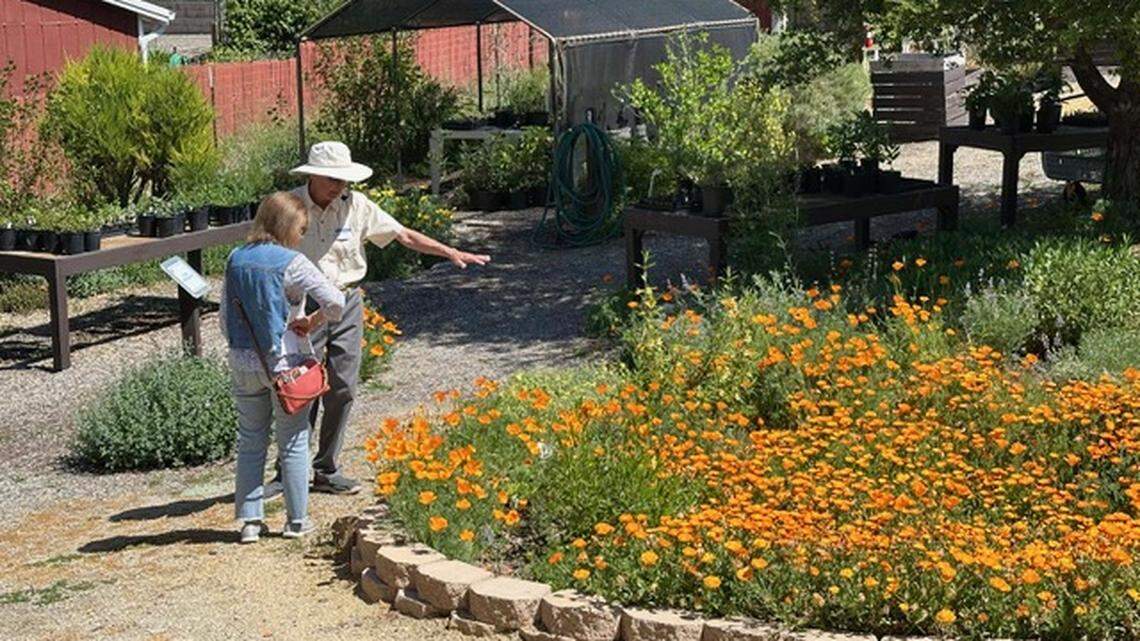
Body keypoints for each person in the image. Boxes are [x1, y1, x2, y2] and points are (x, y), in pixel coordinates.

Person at [264, 141, 490, 497]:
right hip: (301, 307)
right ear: (312, 176)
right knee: (299, 387)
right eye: (331, 179)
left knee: (344, 385)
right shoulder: (287, 207)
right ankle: (288, 470)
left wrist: (448, 251)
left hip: (347, 300)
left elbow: (401, 234)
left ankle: (326, 469)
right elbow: (261, 253)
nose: (339, 187)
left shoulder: (356, 205)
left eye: (343, 179)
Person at [221, 191, 346, 543]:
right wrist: (313, 321)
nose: (302, 235)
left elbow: (224, 318)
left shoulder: (235, 258)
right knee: (292, 441)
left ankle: (249, 522)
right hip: (284, 364)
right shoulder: (293, 262)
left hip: (243, 361)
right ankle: (296, 521)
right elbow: (336, 301)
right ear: (289, 225)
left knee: (250, 442)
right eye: (301, 228)